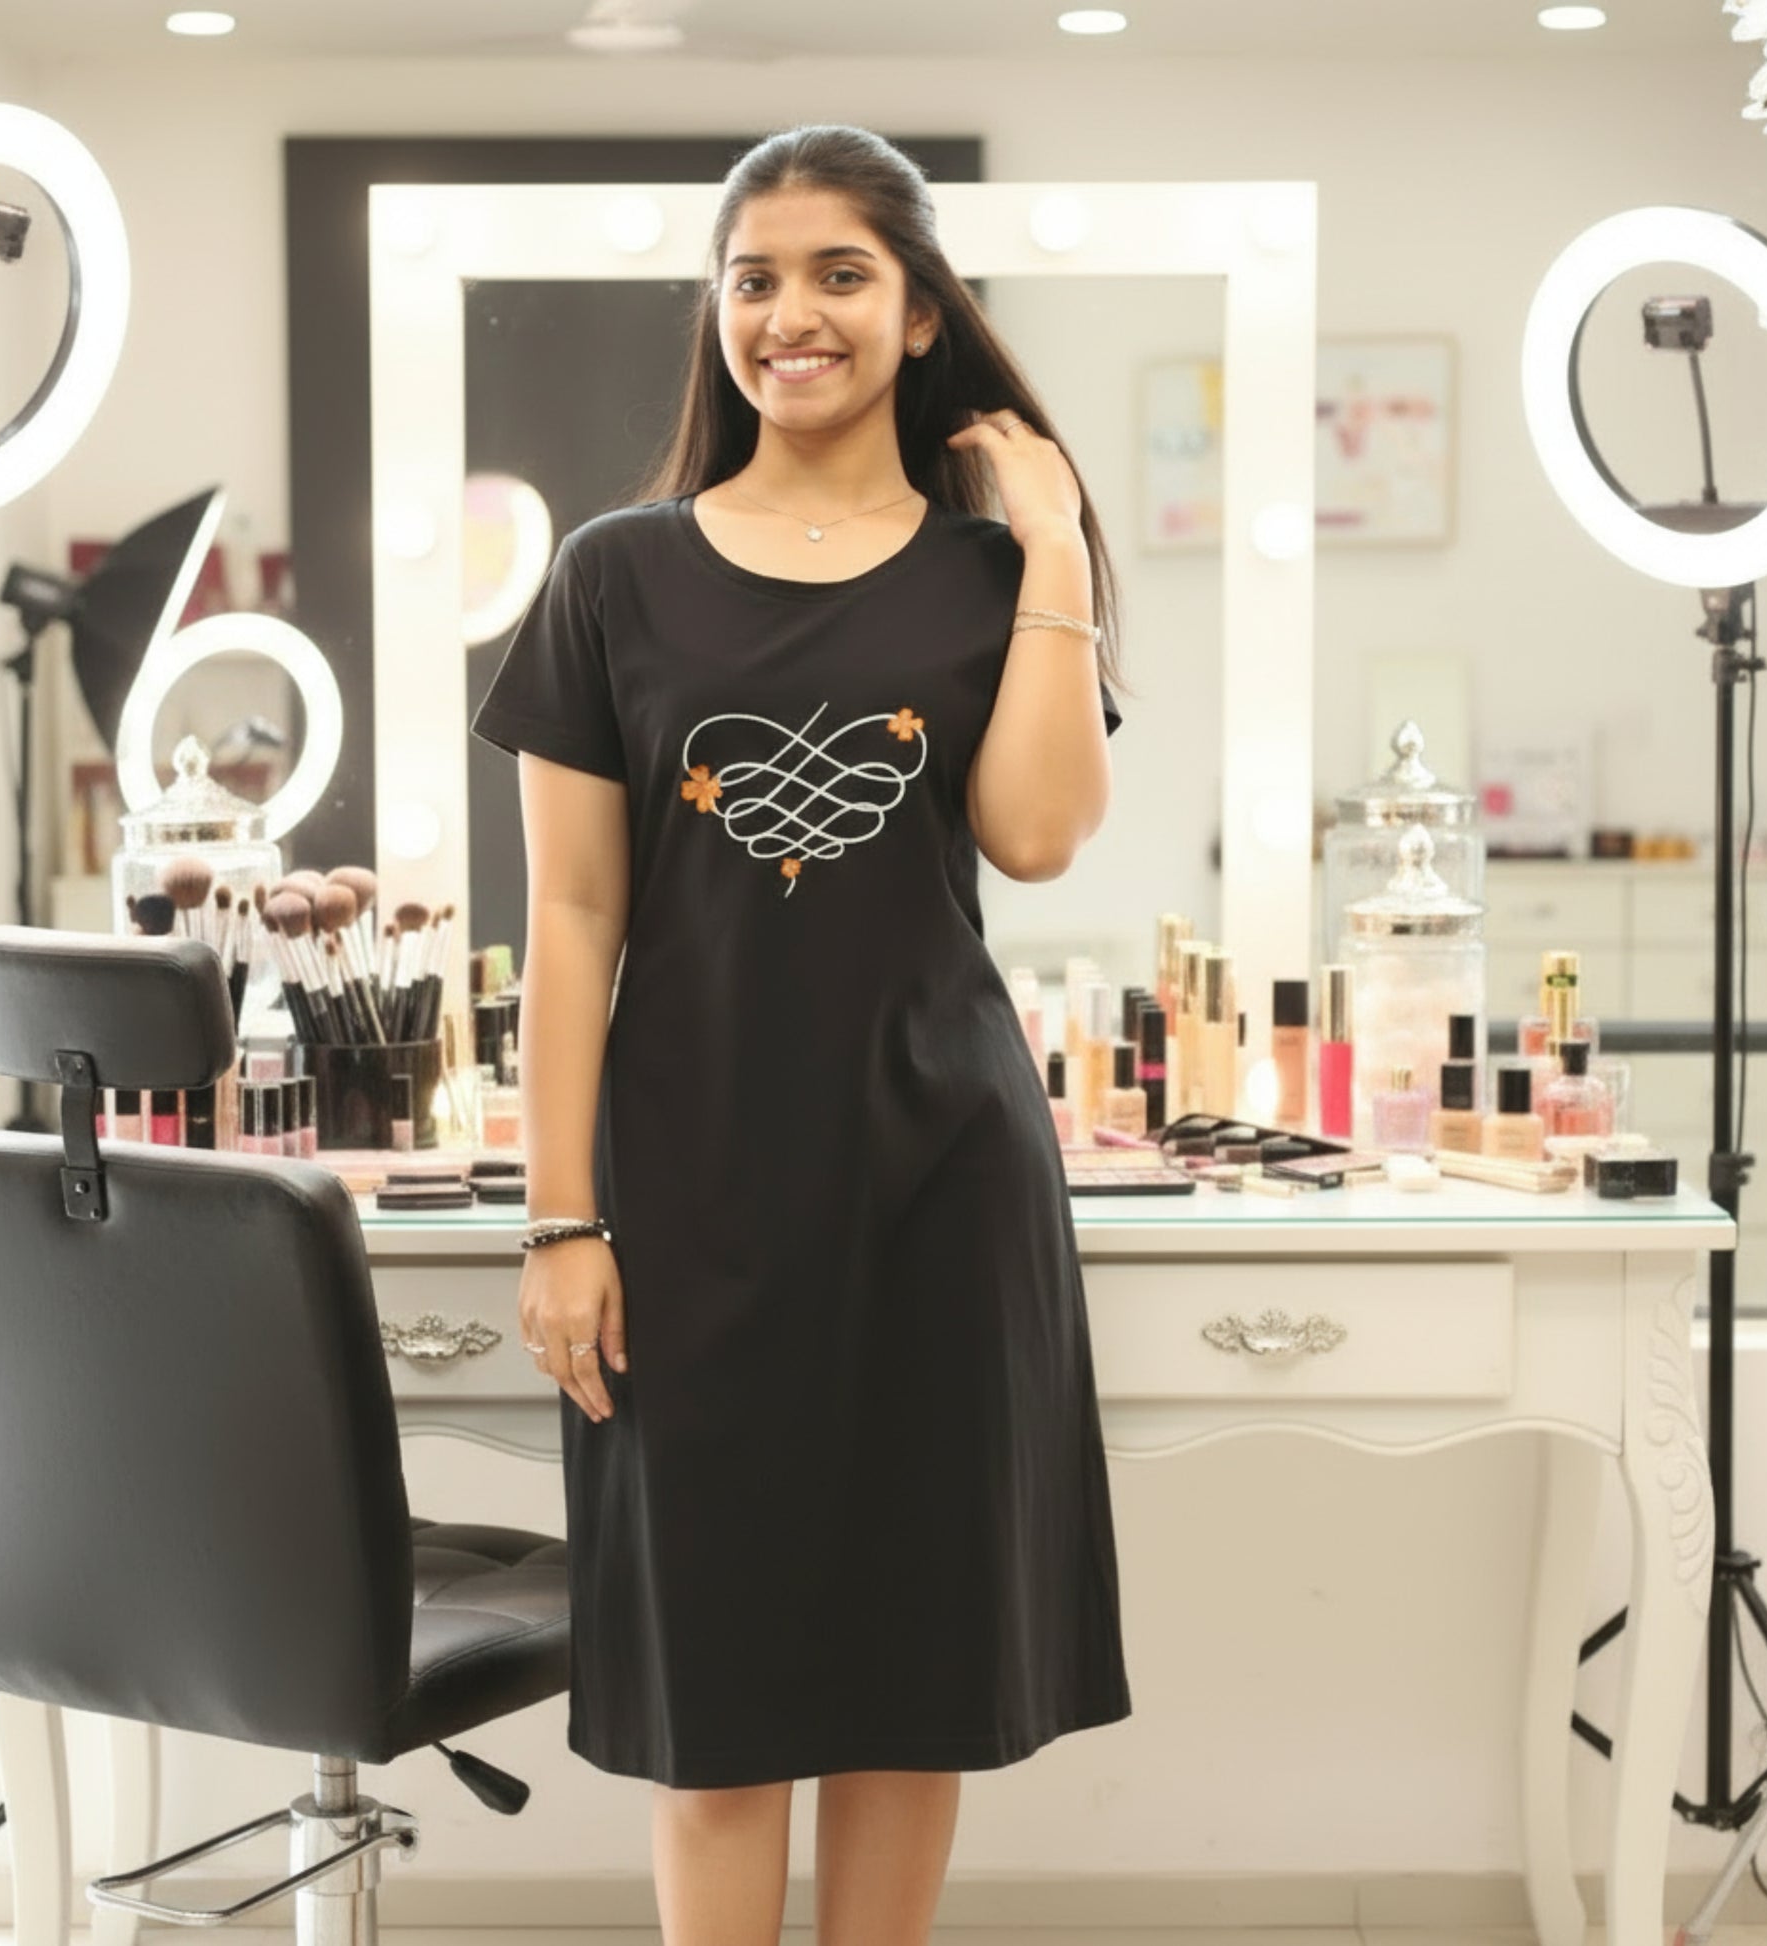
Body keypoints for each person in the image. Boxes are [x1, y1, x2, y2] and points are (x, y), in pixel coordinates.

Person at [471, 122, 1132, 1946]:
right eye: (752, 277)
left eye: (839, 273)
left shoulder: (992, 583)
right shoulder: (612, 574)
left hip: (942, 1185)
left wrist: (1054, 534)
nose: (791, 314)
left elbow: (1034, 832)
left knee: (912, 1689)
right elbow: (576, 921)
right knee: (717, 1702)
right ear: (718, 311)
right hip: (685, 1204)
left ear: (921, 314)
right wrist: (558, 1214)